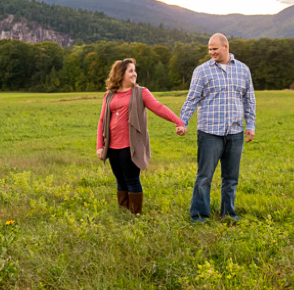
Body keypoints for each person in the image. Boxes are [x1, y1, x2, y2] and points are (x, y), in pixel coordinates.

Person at [177, 33, 256, 223]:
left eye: (215, 49)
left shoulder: (243, 70)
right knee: (204, 177)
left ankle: (229, 214)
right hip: (210, 133)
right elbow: (192, 99)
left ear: (226, 47)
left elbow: (249, 99)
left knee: (231, 178)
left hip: (235, 132)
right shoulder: (202, 71)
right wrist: (183, 122)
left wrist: (250, 124)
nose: (211, 52)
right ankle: (199, 216)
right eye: (209, 49)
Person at [96, 58, 186, 215]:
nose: (134, 74)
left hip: (130, 146)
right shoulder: (109, 95)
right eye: (130, 71)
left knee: (131, 180)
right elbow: (102, 120)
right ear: (120, 74)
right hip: (112, 146)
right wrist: (99, 146)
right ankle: (124, 214)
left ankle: (135, 216)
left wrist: (178, 121)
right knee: (120, 180)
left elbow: (159, 107)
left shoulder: (141, 92)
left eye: (134, 70)